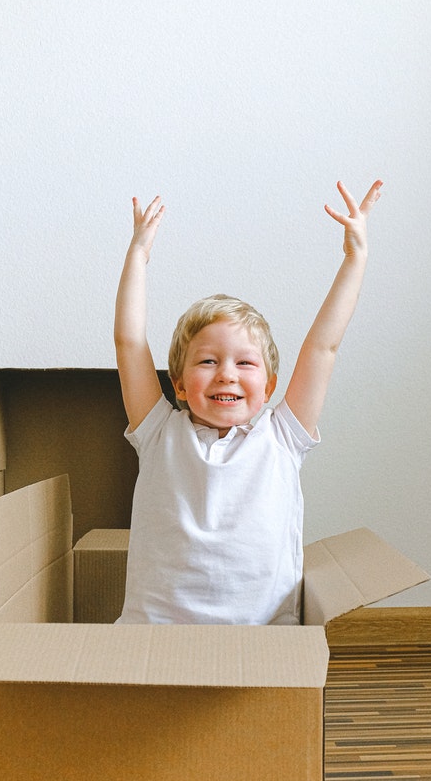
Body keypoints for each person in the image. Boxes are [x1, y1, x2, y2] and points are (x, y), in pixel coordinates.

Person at [114, 180, 382, 624]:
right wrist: (137, 256)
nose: (227, 374)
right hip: (156, 634)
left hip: (260, 639)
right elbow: (128, 342)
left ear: (270, 386)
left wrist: (356, 259)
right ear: (178, 384)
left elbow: (322, 348)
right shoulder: (159, 432)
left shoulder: (282, 436)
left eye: (245, 363)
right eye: (207, 361)